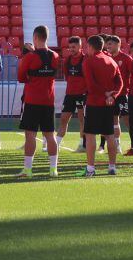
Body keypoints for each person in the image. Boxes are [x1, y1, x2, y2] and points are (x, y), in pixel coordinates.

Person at [17, 25, 60, 177]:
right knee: (50, 135)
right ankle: (53, 169)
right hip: (48, 101)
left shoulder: (30, 57)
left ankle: (28, 170)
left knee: (30, 135)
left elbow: (21, 77)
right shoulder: (55, 56)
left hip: (32, 101)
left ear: (35, 37)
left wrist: (26, 57)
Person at [79, 35, 123, 177]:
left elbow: (91, 86)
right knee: (109, 135)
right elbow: (120, 83)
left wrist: (105, 94)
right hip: (108, 104)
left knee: (91, 135)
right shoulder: (111, 60)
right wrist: (113, 95)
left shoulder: (88, 61)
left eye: (87, 47)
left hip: (94, 102)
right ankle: (112, 167)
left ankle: (91, 169)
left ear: (91, 47)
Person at [57, 35, 87, 152]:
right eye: (70, 47)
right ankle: (57, 144)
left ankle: (82, 144)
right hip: (70, 94)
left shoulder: (85, 60)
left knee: (82, 119)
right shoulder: (67, 60)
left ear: (80, 46)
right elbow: (67, 76)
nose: (71, 49)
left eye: (74, 47)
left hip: (82, 94)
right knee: (64, 119)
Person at [105, 34, 132, 153]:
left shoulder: (126, 58)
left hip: (123, 95)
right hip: (112, 95)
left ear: (118, 44)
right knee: (114, 120)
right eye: (107, 44)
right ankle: (117, 145)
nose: (107, 46)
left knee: (128, 120)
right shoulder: (106, 58)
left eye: (110, 44)